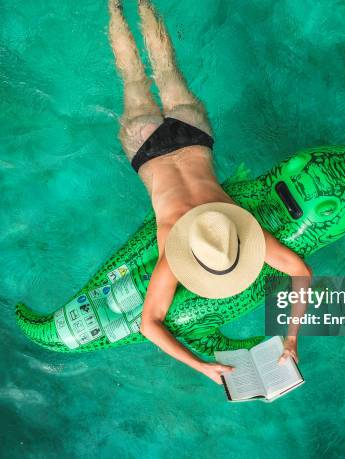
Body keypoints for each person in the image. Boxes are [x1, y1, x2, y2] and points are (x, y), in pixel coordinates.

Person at [108, 0, 312, 384]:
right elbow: (149, 326)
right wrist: (203, 366)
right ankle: (117, 7)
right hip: (147, 149)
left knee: (158, 67)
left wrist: (291, 341)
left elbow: (301, 271)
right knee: (133, 77)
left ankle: (124, 4)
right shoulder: (188, 250)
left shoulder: (237, 229)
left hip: (193, 134)